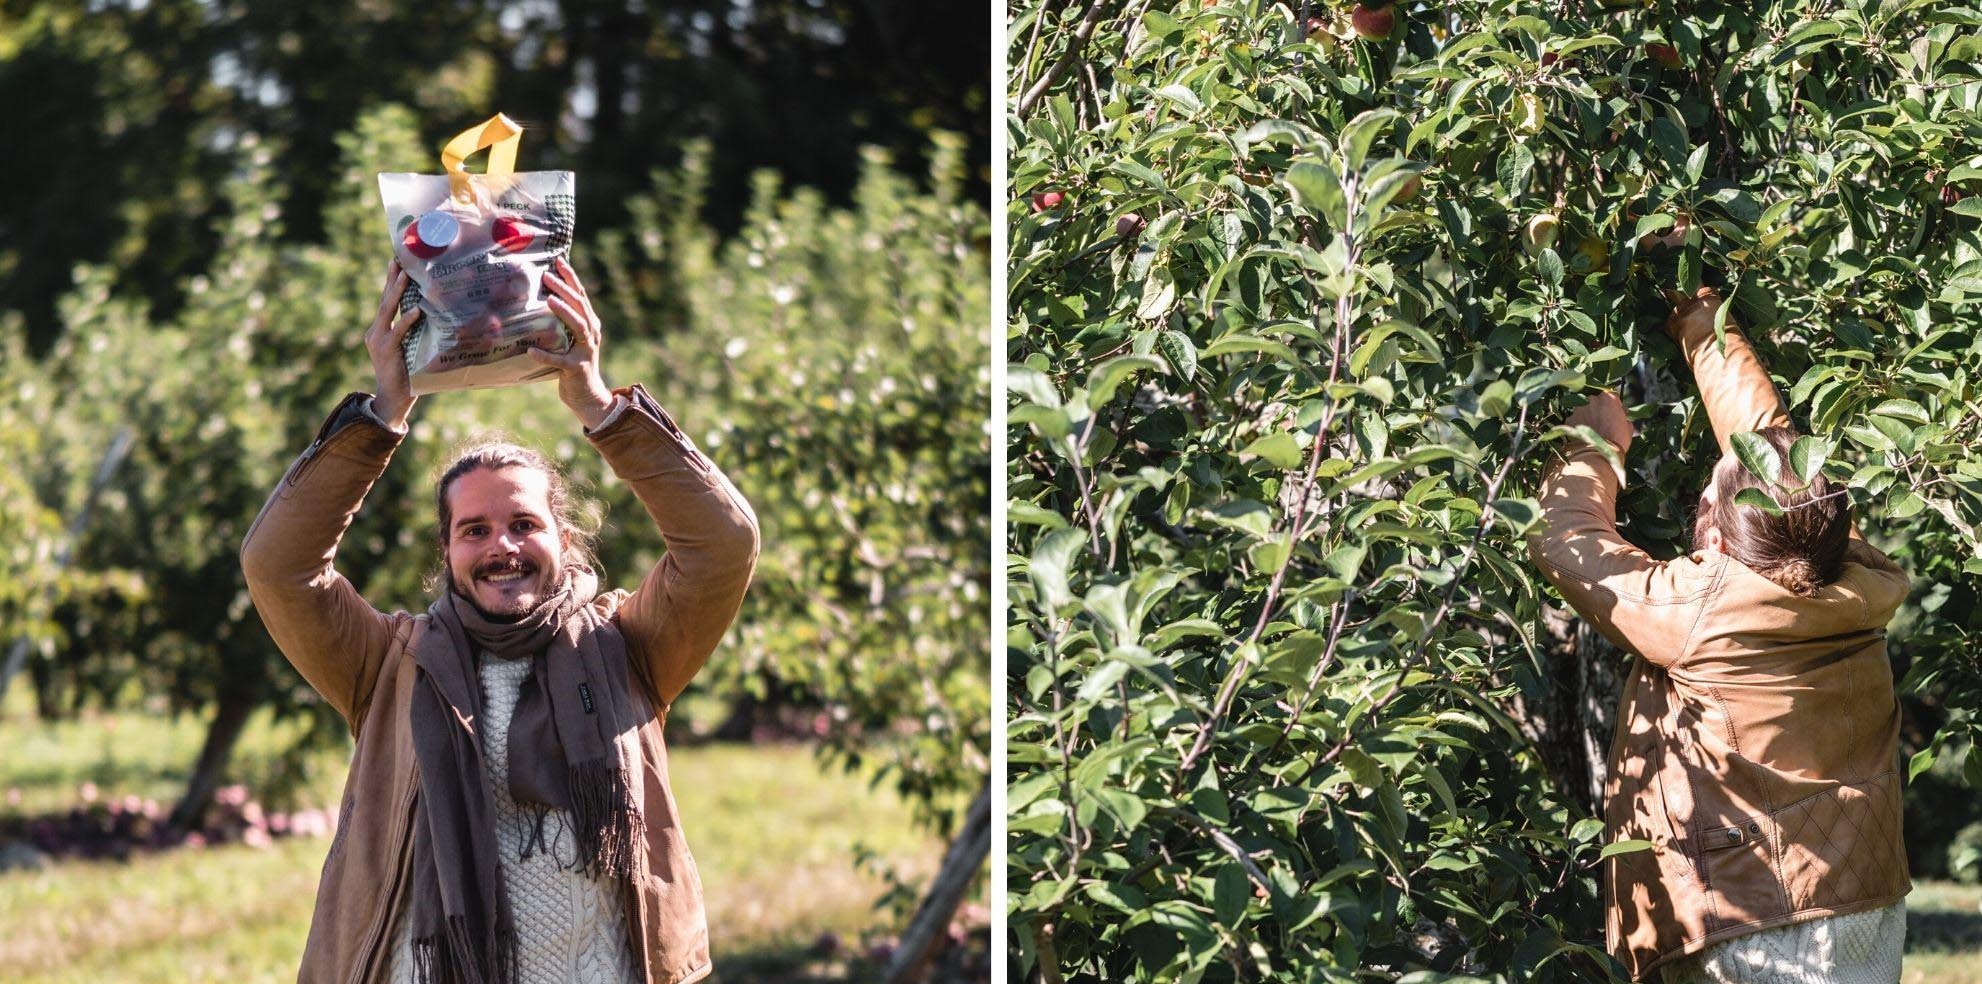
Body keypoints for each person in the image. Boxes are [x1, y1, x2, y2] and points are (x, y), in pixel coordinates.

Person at [241, 256, 760, 984]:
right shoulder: (390, 664)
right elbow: (277, 565)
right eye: (475, 530)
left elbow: (723, 545)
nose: (502, 547)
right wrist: (382, 413)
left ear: (564, 539)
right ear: (448, 550)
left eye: (523, 523)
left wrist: (600, 407)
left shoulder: (630, 648)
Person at [1526, 287, 1911, 983]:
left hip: (1760, 918)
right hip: (1864, 894)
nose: (1702, 497)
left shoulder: (1700, 610)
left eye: (1709, 496)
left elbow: (1566, 542)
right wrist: (1703, 316)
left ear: (1718, 532)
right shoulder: (1850, 571)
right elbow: (1774, 447)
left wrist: (1594, 444)